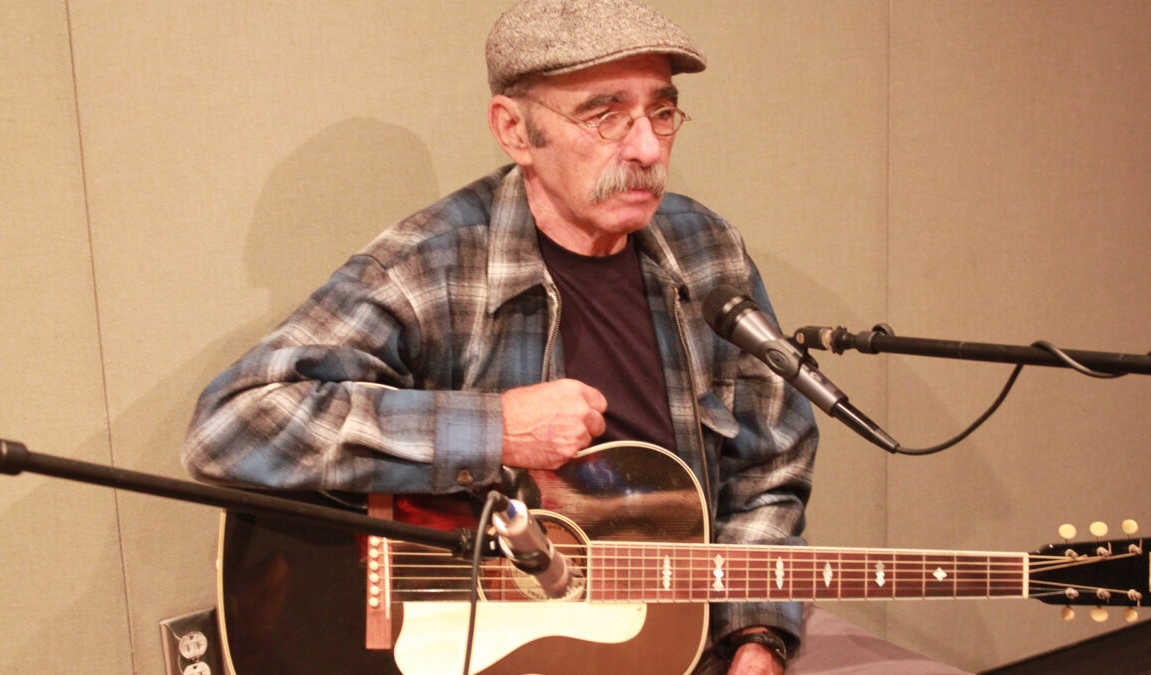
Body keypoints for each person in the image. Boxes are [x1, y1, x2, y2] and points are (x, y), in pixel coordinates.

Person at [183, 1, 817, 673]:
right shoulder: (431, 264)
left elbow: (768, 473)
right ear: (514, 130)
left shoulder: (709, 252)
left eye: (661, 112)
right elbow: (231, 425)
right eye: (606, 115)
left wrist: (758, 639)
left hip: (676, 650)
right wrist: (490, 430)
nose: (648, 147)